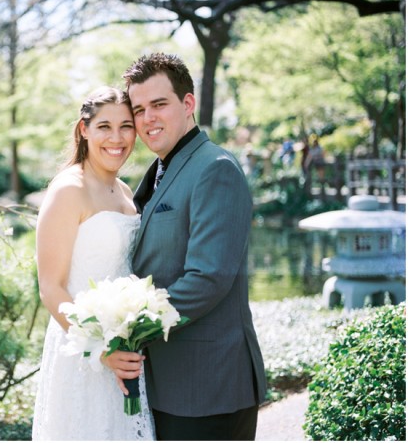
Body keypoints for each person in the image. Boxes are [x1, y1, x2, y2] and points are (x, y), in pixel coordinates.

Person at [108, 53, 266, 440]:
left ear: (188, 103)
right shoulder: (159, 171)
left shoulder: (215, 169)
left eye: (159, 104)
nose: (148, 119)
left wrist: (129, 331)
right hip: (164, 380)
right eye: (139, 109)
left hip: (208, 385)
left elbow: (207, 278)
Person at [32, 87, 154, 440]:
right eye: (104, 127)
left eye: (126, 127)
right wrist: (101, 350)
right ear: (84, 129)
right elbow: (50, 287)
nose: (117, 139)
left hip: (126, 348)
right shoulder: (68, 190)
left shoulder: (126, 191)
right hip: (82, 350)